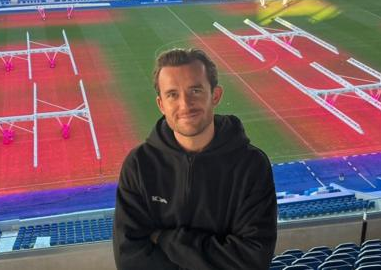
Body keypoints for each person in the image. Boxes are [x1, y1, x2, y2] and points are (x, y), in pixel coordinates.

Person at [113, 48, 278, 270]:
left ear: (215, 95)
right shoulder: (138, 165)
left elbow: (252, 260)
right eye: (173, 94)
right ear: (161, 104)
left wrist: (164, 239)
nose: (185, 104)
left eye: (195, 90)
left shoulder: (251, 165)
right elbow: (129, 259)